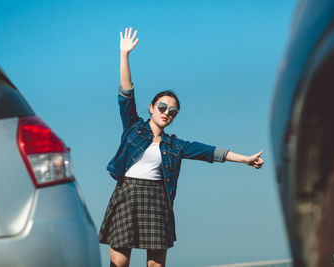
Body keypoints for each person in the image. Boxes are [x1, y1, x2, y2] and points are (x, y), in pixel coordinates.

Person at [99, 27, 264, 267]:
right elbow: (125, 93)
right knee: (119, 262)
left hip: (157, 199)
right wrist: (124, 55)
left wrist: (246, 159)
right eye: (163, 107)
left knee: (156, 265)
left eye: (173, 111)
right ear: (152, 107)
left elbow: (211, 152)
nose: (167, 113)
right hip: (128, 194)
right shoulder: (133, 127)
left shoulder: (175, 145)